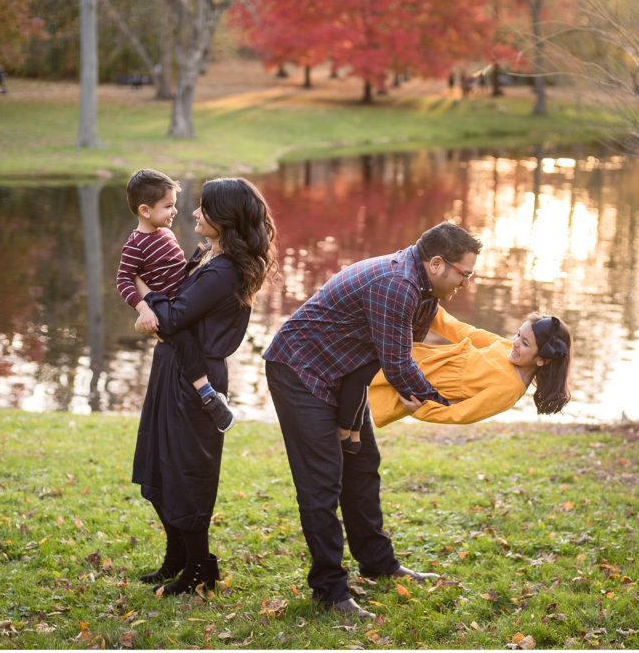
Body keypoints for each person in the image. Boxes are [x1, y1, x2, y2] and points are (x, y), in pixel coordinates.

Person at [264, 221, 481, 619]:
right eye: (464, 273)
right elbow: (398, 367)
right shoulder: (396, 285)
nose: (466, 281)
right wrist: (451, 401)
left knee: (362, 465)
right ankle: (329, 591)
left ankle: (378, 563)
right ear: (437, 263)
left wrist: (349, 422)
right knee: (322, 481)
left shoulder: (424, 293)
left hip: (342, 372)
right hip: (300, 370)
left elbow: (374, 362)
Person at [131, 177, 277, 596]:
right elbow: (176, 312)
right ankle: (177, 556)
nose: (194, 213)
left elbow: (174, 318)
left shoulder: (225, 271)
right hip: (172, 371)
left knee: (186, 473)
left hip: (195, 384)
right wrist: (156, 303)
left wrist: (143, 292)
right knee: (160, 465)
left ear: (224, 218)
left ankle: (200, 567)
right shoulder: (208, 256)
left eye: (204, 208)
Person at [337, 307, 571, 442]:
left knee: (354, 372)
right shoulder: (504, 348)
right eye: (518, 335)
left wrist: (420, 409)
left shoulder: (509, 389)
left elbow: (462, 413)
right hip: (419, 358)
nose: (515, 343)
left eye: (525, 343)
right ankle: (353, 435)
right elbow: (464, 331)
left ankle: (346, 431)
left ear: (542, 360)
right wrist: (433, 307)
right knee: (357, 356)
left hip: (415, 382)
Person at [116, 169, 235, 432]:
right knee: (184, 342)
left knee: (190, 338)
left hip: (179, 303)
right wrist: (143, 309)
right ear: (145, 210)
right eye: (168, 206)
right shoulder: (135, 245)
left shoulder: (166, 235)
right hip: (163, 310)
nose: (175, 211)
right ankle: (207, 394)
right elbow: (123, 280)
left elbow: (177, 270)